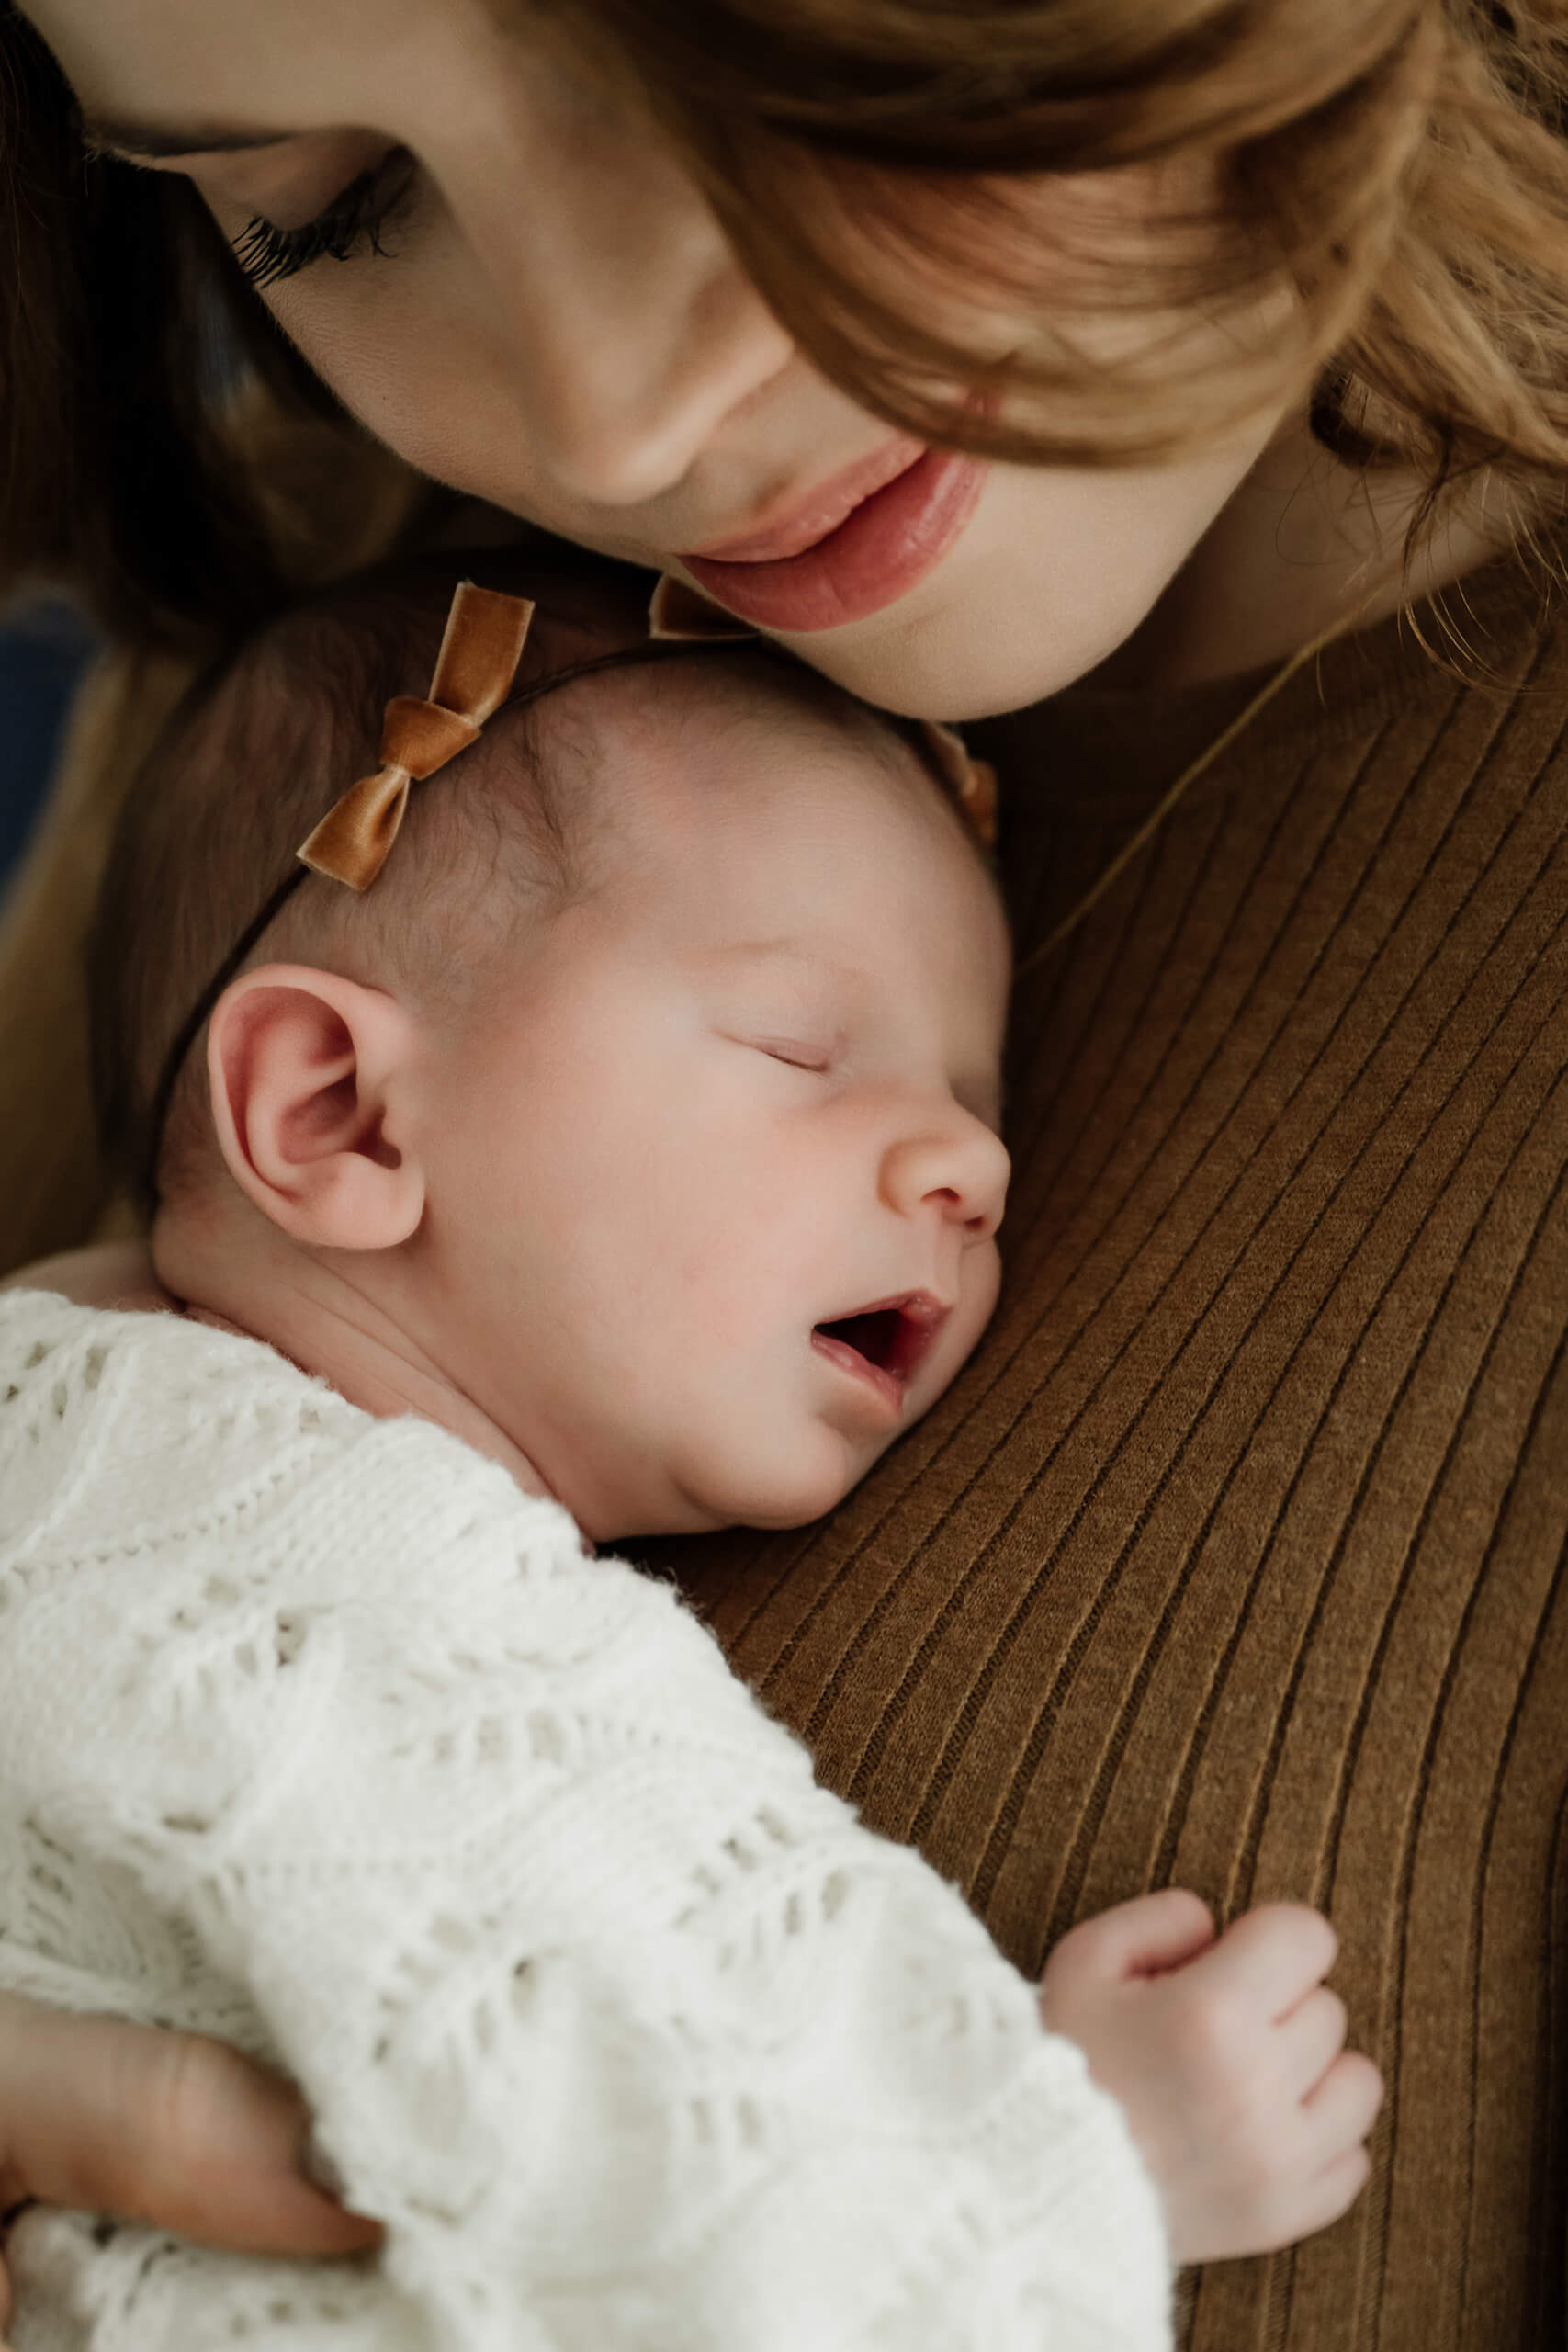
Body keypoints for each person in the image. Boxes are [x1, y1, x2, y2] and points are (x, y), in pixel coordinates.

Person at [0, 1, 1562, 2346]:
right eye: (318, 203)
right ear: (321, 1110)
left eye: (758, 50)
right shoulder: (349, 710)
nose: (616, 414)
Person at [0, 554, 1377, 2349]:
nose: (967, 1168)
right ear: (335, 1114)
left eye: (974, 1097)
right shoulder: (344, 1585)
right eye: (801, 1046)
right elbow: (635, 2165)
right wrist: (1069, 2157)